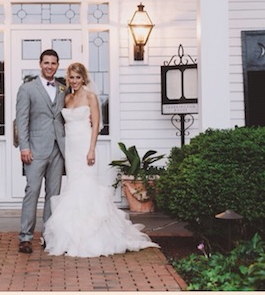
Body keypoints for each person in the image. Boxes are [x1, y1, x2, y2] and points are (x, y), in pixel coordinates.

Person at [43, 62, 159, 257]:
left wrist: (91, 150)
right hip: (70, 147)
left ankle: (90, 234)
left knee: (87, 184)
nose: (75, 81)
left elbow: (96, 125)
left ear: (84, 78)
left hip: (85, 145)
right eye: (72, 77)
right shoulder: (67, 98)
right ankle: (71, 234)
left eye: (78, 77)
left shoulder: (90, 96)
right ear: (68, 78)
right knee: (73, 185)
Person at [15, 49, 66, 254]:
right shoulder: (27, 89)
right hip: (35, 149)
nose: (49, 66)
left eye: (53, 63)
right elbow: (22, 120)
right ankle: (25, 237)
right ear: (40, 64)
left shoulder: (63, 88)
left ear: (57, 65)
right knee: (33, 190)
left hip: (58, 149)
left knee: (53, 195)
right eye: (46, 63)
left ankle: (49, 235)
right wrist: (24, 146)